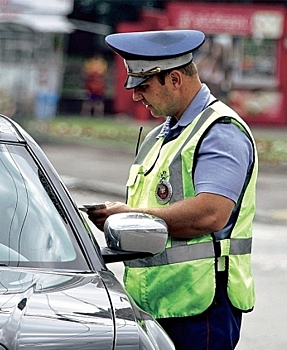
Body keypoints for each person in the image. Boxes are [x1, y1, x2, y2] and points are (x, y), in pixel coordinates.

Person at [86, 30, 258, 350]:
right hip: (154, 305)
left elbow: (211, 213)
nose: (137, 96)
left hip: (199, 307)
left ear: (175, 79)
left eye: (144, 86)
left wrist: (130, 214)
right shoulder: (160, 135)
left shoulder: (219, 132)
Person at [81, 53, 107, 117]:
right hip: (91, 85)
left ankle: (98, 114)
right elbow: (85, 73)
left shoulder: (102, 63)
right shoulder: (90, 63)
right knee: (88, 101)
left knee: (98, 101)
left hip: (99, 86)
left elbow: (104, 75)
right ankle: (86, 114)